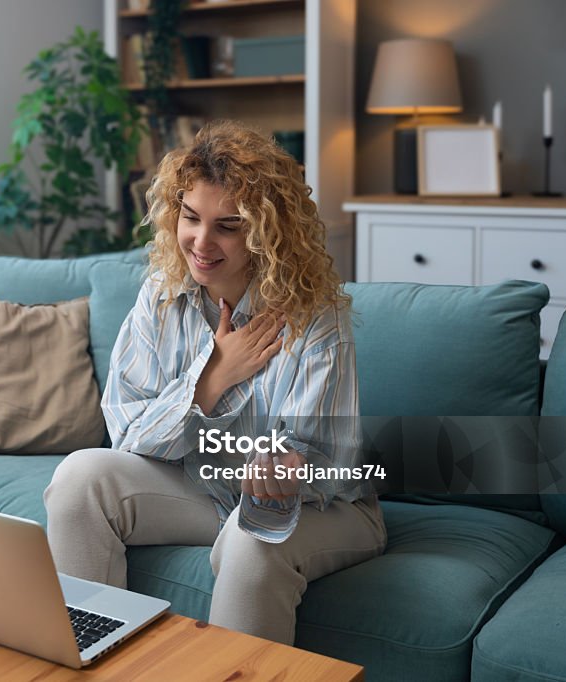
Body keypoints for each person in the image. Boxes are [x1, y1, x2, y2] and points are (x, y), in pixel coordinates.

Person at [44, 120, 386, 645]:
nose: (201, 242)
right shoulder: (160, 295)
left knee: (254, 537)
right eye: (190, 218)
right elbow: (128, 433)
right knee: (80, 477)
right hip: (204, 488)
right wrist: (212, 379)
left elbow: (327, 460)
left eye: (228, 225)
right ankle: (87, 657)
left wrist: (282, 464)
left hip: (323, 507)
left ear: (267, 229)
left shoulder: (316, 316)